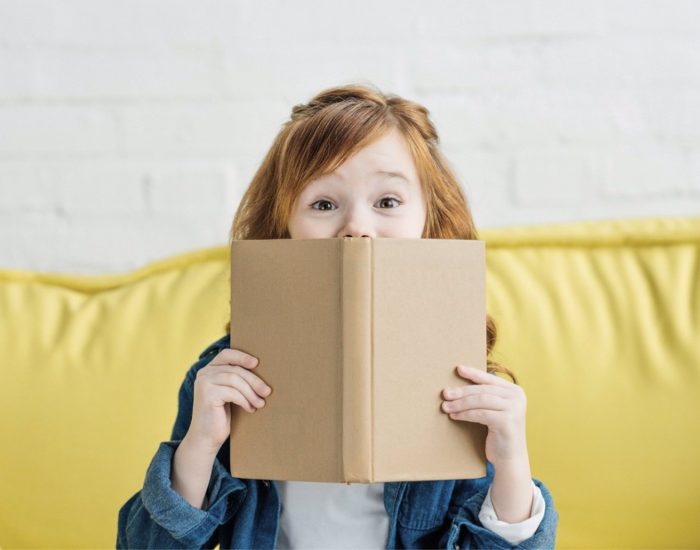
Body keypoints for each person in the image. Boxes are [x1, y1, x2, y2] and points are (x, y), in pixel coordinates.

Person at [117, 82, 559, 549]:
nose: (357, 229)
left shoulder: (466, 382)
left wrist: (511, 464)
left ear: (430, 222)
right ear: (281, 227)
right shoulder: (224, 380)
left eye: (387, 202)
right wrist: (198, 449)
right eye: (323, 204)